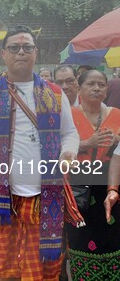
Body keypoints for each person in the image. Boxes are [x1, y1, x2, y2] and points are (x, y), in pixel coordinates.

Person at [0, 25, 79, 280]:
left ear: (35, 53)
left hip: (45, 196)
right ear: (3, 53)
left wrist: (69, 152)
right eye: (14, 48)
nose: (21, 52)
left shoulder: (55, 93)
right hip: (3, 198)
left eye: (27, 47)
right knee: (3, 264)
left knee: (43, 266)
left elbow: (69, 133)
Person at [66, 69, 120, 279]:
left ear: (107, 89)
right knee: (81, 238)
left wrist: (116, 142)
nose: (97, 88)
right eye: (91, 84)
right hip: (78, 189)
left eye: (101, 84)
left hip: (110, 185)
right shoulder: (69, 116)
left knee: (112, 236)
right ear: (79, 88)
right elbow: (55, 150)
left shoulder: (116, 114)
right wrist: (86, 144)